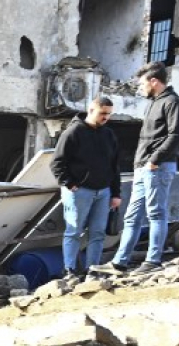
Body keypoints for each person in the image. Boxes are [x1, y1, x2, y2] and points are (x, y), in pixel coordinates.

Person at [93, 61, 179, 275]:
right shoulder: (155, 102)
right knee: (131, 216)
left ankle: (153, 261)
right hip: (144, 168)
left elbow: (175, 135)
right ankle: (119, 262)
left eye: (143, 84)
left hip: (156, 167)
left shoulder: (171, 101)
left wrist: (154, 160)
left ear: (154, 81)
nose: (140, 89)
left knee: (156, 214)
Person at [52, 96, 122, 278]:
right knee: (74, 231)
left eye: (109, 114)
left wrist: (116, 193)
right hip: (79, 191)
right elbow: (57, 163)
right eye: (103, 113)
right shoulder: (73, 132)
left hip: (103, 191)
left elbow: (114, 166)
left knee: (98, 233)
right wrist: (69, 183)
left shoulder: (109, 135)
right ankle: (69, 270)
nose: (106, 117)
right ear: (91, 110)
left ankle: (93, 269)